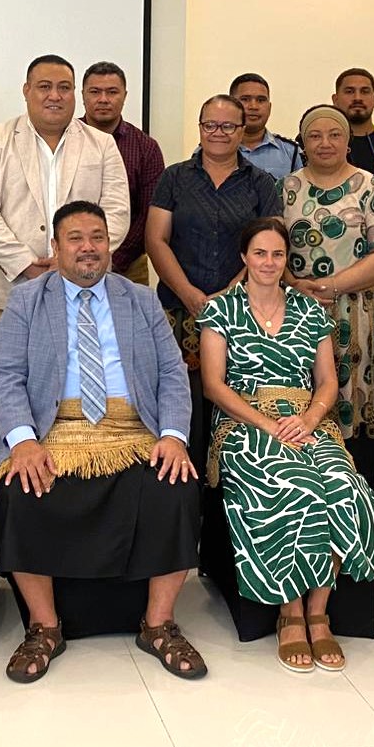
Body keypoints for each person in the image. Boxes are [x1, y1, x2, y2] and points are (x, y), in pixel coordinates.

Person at [0, 200, 205, 684]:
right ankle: (44, 628)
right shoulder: (27, 300)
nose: (88, 248)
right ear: (56, 247)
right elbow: (4, 376)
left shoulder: (140, 298)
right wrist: (22, 442)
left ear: (109, 244)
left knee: (175, 488)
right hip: (54, 427)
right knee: (21, 493)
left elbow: (172, 373)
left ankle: (158, 624)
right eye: (75, 239)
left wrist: (172, 436)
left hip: (131, 428)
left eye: (97, 238)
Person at [199, 217, 374, 672]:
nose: (268, 262)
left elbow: (326, 381)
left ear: (287, 260)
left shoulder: (309, 311)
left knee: (344, 486)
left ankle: (317, 613)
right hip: (245, 424)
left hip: (307, 423)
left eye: (277, 255)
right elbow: (212, 385)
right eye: (259, 253)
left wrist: (308, 418)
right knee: (294, 485)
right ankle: (288, 611)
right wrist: (267, 422)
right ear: (244, 257)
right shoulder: (220, 310)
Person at [0, 53, 129, 451]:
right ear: (26, 91)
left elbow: (117, 211)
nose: (54, 96)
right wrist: (24, 262)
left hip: (83, 290)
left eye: (64, 87)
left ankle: (73, 469)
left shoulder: (101, 144)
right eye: (44, 86)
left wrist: (68, 264)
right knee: (9, 381)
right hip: (7, 289)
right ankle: (5, 470)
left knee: (68, 379)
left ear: (74, 94)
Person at [144, 94, 280, 468]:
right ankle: (184, 491)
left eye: (228, 126)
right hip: (179, 308)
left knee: (234, 399)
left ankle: (228, 492)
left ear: (242, 130)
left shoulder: (261, 183)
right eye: (210, 125)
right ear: (200, 127)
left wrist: (229, 293)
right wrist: (188, 293)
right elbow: (155, 240)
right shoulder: (175, 177)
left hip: (243, 312)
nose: (218, 133)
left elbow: (269, 244)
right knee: (182, 400)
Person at [280, 104, 374, 485]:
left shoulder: (371, 187)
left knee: (355, 405)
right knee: (303, 402)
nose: (325, 143)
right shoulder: (286, 188)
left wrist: (335, 286)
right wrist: (292, 282)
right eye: (315, 136)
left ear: (348, 142)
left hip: (357, 316)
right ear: (302, 143)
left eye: (334, 135)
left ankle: (358, 501)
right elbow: (269, 245)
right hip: (296, 313)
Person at [79, 61, 165, 284]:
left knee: (130, 319)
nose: (104, 99)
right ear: (83, 95)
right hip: (71, 260)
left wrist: (112, 258)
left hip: (128, 265)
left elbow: (148, 214)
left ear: (125, 95)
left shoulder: (146, 147)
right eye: (95, 92)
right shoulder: (64, 139)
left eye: (112, 92)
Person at [230, 72, 303, 181]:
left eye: (261, 100)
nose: (253, 106)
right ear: (231, 105)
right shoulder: (212, 150)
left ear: (269, 107)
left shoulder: (292, 152)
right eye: (245, 99)